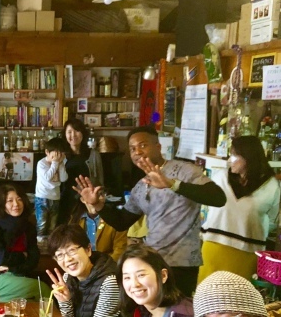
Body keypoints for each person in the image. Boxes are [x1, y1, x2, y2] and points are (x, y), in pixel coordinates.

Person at [75, 126, 226, 297]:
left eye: (142, 145)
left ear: (158, 147)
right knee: (149, 310)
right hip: (151, 261)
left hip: (181, 263)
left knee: (176, 310)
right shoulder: (140, 186)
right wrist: (98, 205)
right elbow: (122, 222)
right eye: (132, 149)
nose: (137, 152)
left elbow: (218, 197)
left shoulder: (183, 171)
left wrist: (172, 184)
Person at [200, 136, 280, 281]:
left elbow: (273, 220)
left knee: (238, 293)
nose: (229, 160)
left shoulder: (271, 186)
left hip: (247, 253)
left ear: (248, 157)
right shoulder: (220, 178)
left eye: (234, 155)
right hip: (214, 246)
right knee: (207, 292)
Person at [0, 185, 44, 302]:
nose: (16, 204)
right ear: (2, 204)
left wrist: (12, 266)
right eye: (10, 201)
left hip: (21, 275)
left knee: (31, 302)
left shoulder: (29, 227)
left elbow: (34, 260)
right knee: (43, 290)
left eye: (19, 199)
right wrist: (23, 256)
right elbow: (0, 258)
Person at [58, 118, 104, 225]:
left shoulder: (93, 154)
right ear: (65, 135)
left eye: (77, 131)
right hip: (65, 201)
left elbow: (100, 179)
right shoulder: (60, 155)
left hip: (87, 201)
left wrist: (100, 198)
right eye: (69, 132)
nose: (73, 135)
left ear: (83, 133)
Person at [35, 137, 69, 242]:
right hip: (42, 197)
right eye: (56, 153)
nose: (58, 156)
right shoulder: (41, 163)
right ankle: (40, 242)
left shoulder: (60, 163)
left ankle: (50, 242)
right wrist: (55, 163)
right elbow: (47, 177)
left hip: (55, 198)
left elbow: (64, 178)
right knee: (42, 223)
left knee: (53, 224)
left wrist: (61, 165)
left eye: (61, 153)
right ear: (47, 152)